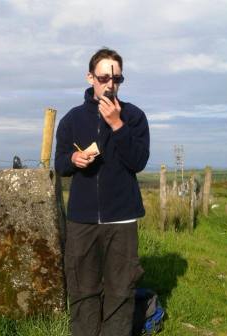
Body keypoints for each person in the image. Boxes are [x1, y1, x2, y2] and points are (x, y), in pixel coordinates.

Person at [54, 47, 150, 336]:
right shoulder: (72, 119)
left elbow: (138, 161)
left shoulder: (133, 117)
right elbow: (59, 164)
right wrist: (73, 159)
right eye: (104, 77)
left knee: (120, 291)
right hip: (82, 219)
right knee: (83, 289)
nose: (111, 84)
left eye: (117, 78)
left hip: (121, 218)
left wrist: (117, 125)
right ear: (90, 77)